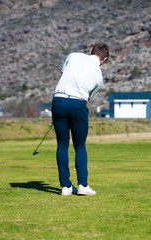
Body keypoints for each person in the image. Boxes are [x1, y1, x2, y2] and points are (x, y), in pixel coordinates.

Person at [51, 43, 109, 196]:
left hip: (59, 100)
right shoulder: (99, 78)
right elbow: (87, 97)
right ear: (104, 59)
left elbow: (63, 73)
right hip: (78, 103)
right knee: (80, 145)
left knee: (62, 144)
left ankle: (66, 187)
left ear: (91, 51)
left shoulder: (73, 55)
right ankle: (82, 185)